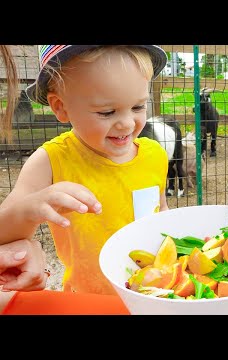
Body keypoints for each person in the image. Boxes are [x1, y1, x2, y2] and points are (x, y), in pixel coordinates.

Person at [0, 45, 170, 300]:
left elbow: (161, 211)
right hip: (89, 298)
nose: (127, 122)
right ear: (60, 107)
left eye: (138, 107)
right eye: (107, 112)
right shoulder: (50, 161)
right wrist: (32, 206)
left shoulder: (154, 154)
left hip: (154, 293)